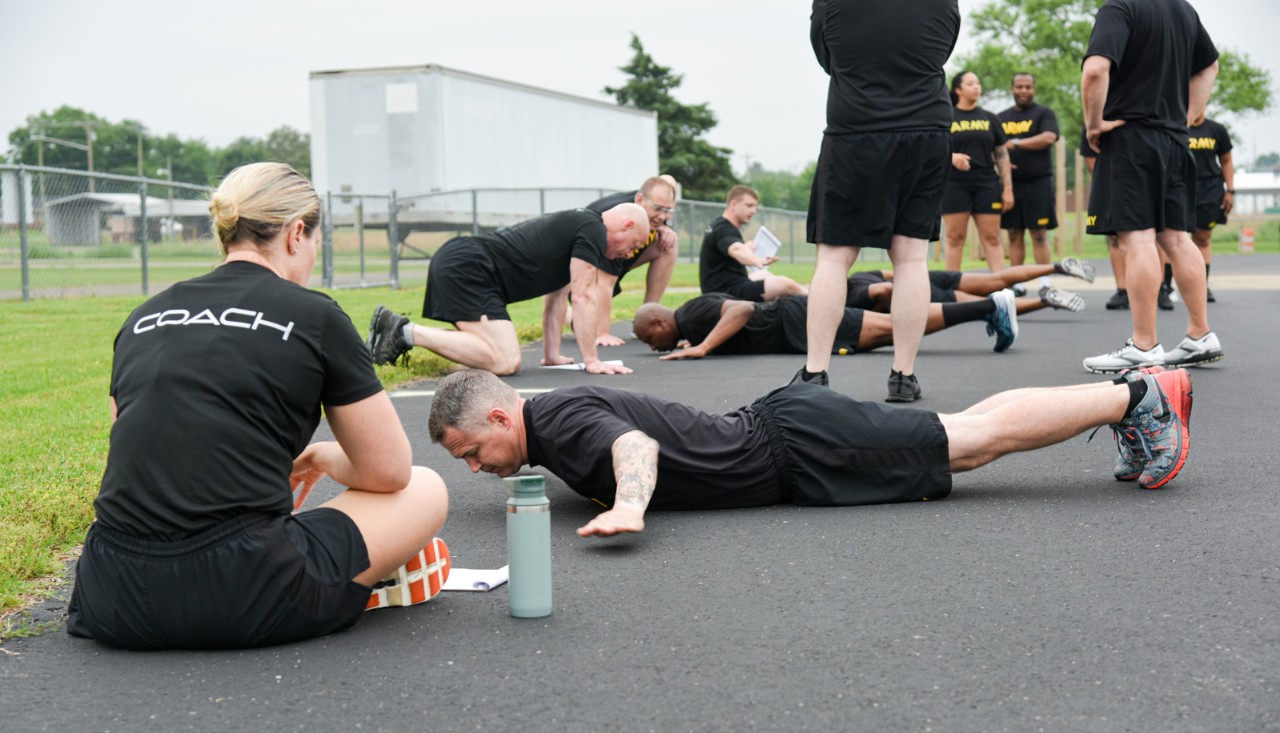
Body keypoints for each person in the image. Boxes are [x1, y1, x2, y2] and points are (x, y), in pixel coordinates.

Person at [66, 162, 451, 651]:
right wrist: (322, 456)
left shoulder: (143, 316)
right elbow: (390, 472)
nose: (313, 255)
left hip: (111, 592)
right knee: (426, 487)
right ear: (295, 234)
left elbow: (135, 447)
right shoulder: (316, 316)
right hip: (243, 590)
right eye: (316, 242)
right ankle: (348, 586)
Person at [428, 366, 1192, 539]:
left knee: (972, 444)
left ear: (501, 414)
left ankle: (1140, 399)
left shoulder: (554, 423)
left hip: (800, 448)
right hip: (794, 435)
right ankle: (1133, 400)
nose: (475, 468)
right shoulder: (551, 418)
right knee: (961, 431)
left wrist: (630, 504)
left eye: (471, 450)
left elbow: (631, 444)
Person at [805, 0, 960, 402]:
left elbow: (826, 54)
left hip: (856, 126)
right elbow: (944, 46)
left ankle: (815, 374)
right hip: (926, 127)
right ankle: (903, 376)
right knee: (910, 257)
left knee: (834, 256)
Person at [1081, 0, 1222, 373]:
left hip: (1132, 137)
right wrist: (1187, 116)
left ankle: (1144, 345)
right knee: (1176, 238)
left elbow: (1096, 70)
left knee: (1138, 239)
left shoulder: (1121, 6)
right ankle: (1200, 334)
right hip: (1175, 139)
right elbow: (1210, 65)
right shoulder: (1183, 10)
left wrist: (1093, 123)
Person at [366, 204, 651, 376]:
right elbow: (584, 296)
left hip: (471, 266)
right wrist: (592, 361)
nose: (629, 254)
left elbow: (556, 300)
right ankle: (403, 331)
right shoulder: (593, 230)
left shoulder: (582, 227)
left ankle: (399, 331)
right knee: (505, 360)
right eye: (634, 244)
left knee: (498, 356)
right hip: (470, 267)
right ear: (626, 225)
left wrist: (551, 355)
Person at [632, 285, 1022, 359]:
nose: (651, 346)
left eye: (647, 338)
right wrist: (696, 342)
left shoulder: (690, 315)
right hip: (796, 324)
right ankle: (989, 308)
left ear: (657, 321)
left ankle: (990, 306)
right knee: (893, 329)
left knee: (894, 327)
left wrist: (703, 346)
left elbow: (741, 310)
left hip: (797, 321)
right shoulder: (690, 319)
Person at [567, 175, 680, 347]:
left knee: (668, 244)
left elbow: (659, 215)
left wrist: (664, 228)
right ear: (640, 199)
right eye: (658, 209)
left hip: (613, 260)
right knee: (587, 329)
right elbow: (605, 281)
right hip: (578, 274)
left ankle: (648, 314)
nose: (662, 216)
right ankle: (564, 312)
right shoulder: (617, 221)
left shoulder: (652, 209)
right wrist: (603, 333)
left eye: (668, 211)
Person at [943, 70, 1014, 273]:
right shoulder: (946, 117)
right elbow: (934, 149)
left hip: (987, 184)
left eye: (978, 83)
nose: (976, 87)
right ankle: (951, 290)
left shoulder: (990, 118)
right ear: (958, 89)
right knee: (955, 238)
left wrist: (1007, 188)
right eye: (970, 83)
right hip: (954, 184)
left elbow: (1002, 155)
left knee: (992, 238)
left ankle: (1001, 288)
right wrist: (952, 158)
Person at [1159, 115, 1234, 306]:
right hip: (1180, 186)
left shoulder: (1217, 130)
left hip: (1209, 189)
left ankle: (1202, 286)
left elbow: (1226, 160)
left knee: (1202, 238)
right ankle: (1165, 288)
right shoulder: (1175, 126)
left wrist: (1230, 191)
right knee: (1170, 238)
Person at [847, 259, 1091, 312]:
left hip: (921, 292)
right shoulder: (857, 276)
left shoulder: (851, 296)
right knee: (997, 279)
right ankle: (1057, 267)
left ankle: (1046, 300)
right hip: (926, 276)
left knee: (989, 305)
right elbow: (890, 274)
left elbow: (884, 290)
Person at [700, 185, 806, 301]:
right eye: (749, 206)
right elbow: (736, 249)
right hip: (726, 293)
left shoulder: (718, 225)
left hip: (726, 286)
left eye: (755, 206)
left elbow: (733, 248)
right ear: (733, 204)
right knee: (785, 284)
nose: (754, 211)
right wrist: (757, 260)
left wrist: (747, 249)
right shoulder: (724, 229)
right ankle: (816, 301)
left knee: (765, 275)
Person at [999, 73, 1060, 265]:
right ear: (1012, 89)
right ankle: (1017, 284)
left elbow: (1049, 137)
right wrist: (999, 162)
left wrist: (1016, 142)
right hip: (1011, 185)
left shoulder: (1044, 113)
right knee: (1014, 236)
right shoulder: (1001, 117)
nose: (1023, 91)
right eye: (1019, 87)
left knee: (1039, 235)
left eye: (1028, 87)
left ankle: (1044, 283)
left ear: (1034, 89)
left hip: (1038, 183)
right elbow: (994, 147)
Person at [1080, 128, 1131, 310]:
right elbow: (1091, 161)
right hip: (1112, 183)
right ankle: (1122, 290)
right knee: (1114, 236)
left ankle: (1162, 288)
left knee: (1156, 235)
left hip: (1140, 179)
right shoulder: (1093, 122)